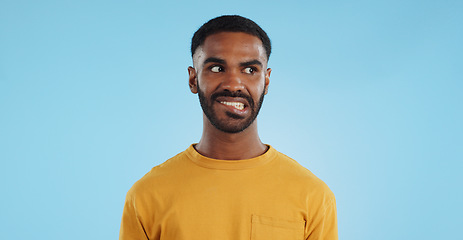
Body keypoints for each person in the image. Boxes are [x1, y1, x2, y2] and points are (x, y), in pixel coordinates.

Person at [119, 15, 338, 240]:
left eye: (250, 70)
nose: (233, 84)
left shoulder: (313, 196)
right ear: (193, 79)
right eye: (216, 68)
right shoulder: (146, 196)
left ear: (267, 81)